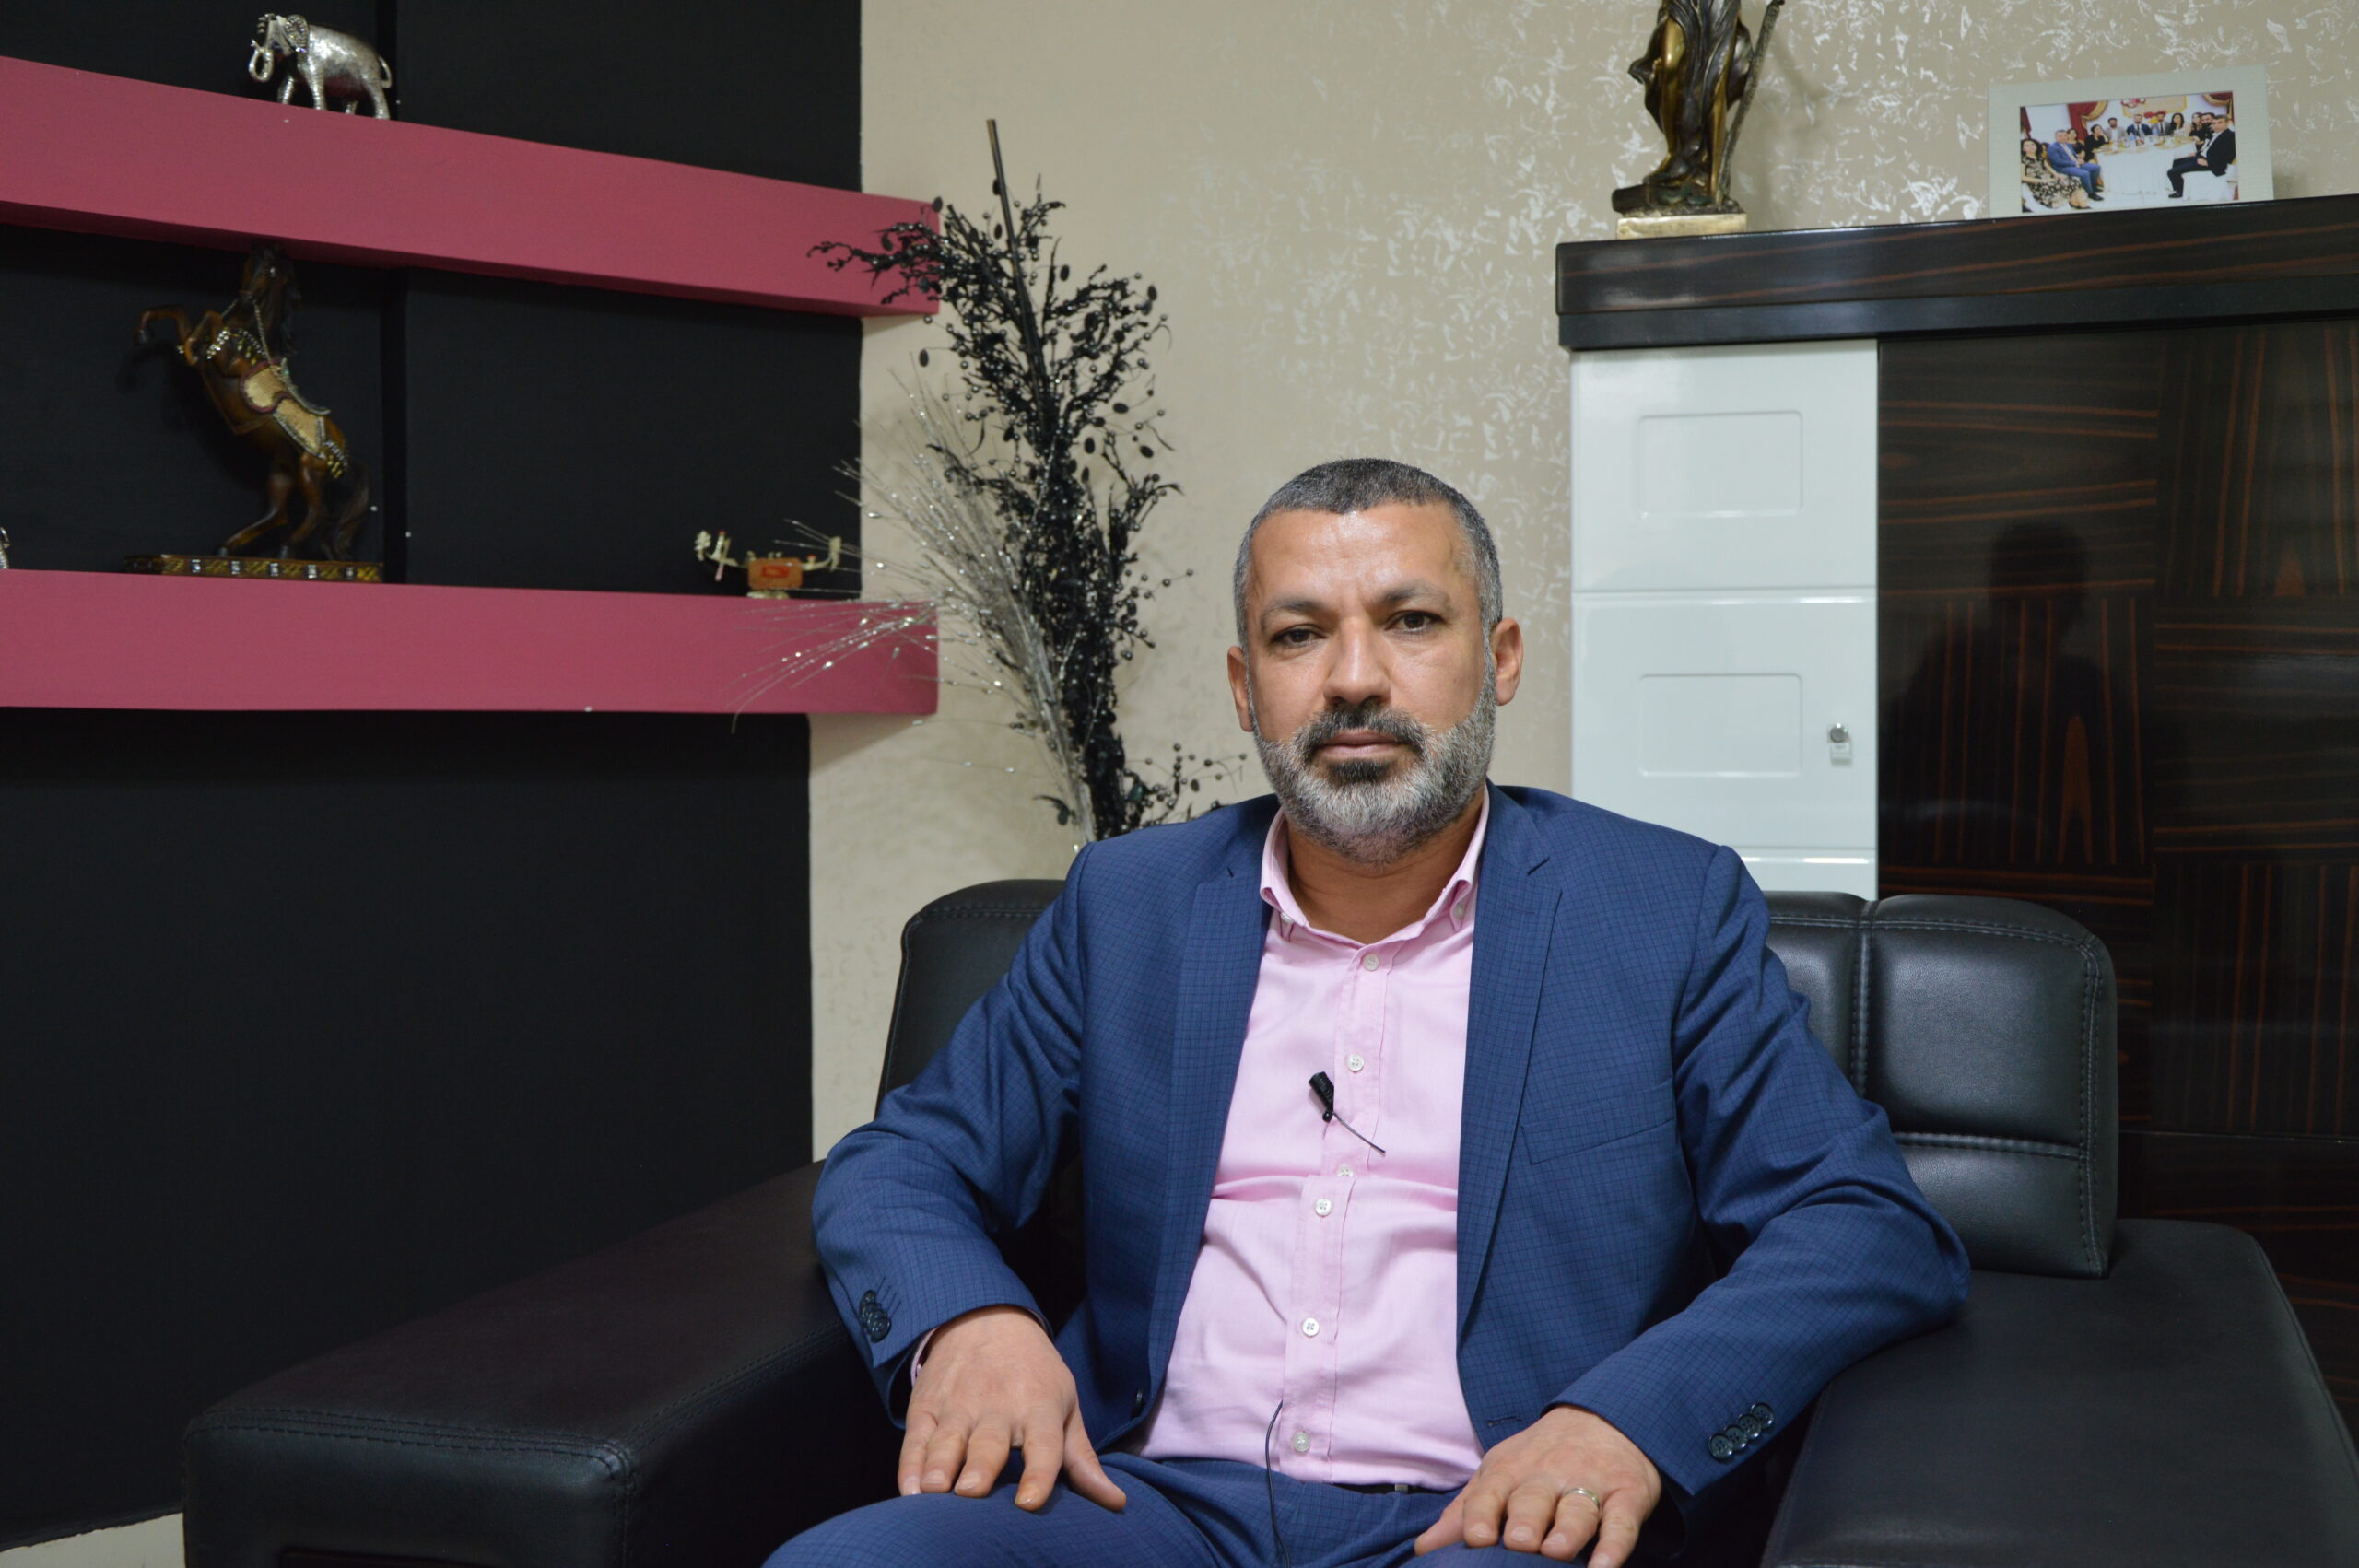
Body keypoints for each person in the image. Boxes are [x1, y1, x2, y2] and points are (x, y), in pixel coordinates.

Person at [769, 460, 1968, 1568]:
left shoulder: (1661, 909)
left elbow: (1861, 1222)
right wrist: (968, 1322)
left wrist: (1623, 1420)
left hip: (1489, 1518)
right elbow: (904, 1161)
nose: (1353, 678)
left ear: (1498, 657)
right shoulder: (1127, 906)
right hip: (1143, 1504)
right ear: (1246, 688)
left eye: (1410, 620)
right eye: (1298, 635)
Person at [2170, 114, 2236, 197]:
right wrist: (2197, 154)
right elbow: (2208, 149)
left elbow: (2229, 157)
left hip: (2212, 164)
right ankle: (2182, 187)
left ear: (2227, 123)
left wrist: (2208, 163)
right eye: (2214, 123)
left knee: (2171, 172)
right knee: (2174, 162)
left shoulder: (2230, 136)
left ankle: (2180, 192)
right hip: (2203, 157)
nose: (2216, 125)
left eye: (2220, 123)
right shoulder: (2217, 133)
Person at [2022, 135, 2092, 210]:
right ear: (2023, 149)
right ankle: (2082, 206)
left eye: (2032, 144)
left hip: (2048, 178)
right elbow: (2022, 177)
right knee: (2068, 183)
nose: (2031, 147)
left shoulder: (2040, 157)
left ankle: (2076, 202)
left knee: (2075, 179)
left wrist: (2057, 174)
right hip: (2038, 183)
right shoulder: (2022, 160)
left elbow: (2049, 168)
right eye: (2027, 146)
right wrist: (2043, 181)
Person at [2047, 132, 2105, 199]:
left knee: (2096, 167)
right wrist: (2075, 163)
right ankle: (2091, 193)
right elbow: (2058, 162)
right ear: (2055, 137)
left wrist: (2079, 159)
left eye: (2065, 135)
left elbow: (2073, 155)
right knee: (2085, 173)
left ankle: (2093, 186)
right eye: (2060, 136)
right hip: (2063, 168)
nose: (2063, 137)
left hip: (2074, 163)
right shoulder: (2052, 147)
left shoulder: (2068, 144)